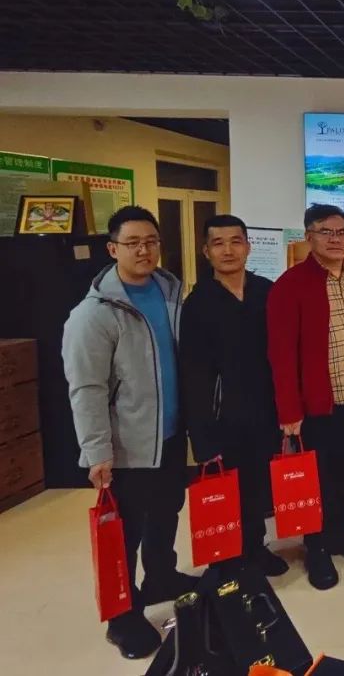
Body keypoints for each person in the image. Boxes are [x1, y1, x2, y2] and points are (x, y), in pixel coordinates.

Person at [62, 206, 197, 660]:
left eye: (151, 241)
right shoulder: (94, 314)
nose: (144, 250)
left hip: (170, 436)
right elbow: (86, 389)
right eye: (133, 242)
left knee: (166, 513)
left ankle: (161, 576)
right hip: (127, 447)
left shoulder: (169, 290)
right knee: (125, 534)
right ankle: (122, 619)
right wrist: (96, 451)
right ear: (112, 248)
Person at [267, 204, 344, 591]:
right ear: (309, 237)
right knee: (314, 479)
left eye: (341, 231)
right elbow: (281, 354)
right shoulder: (290, 285)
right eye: (325, 231)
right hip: (315, 404)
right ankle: (314, 546)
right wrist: (289, 410)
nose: (335, 239)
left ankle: (340, 533)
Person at [179, 215, 288, 577]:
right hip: (222, 416)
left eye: (235, 241)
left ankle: (256, 548)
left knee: (258, 487)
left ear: (248, 246)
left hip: (265, 411)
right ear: (206, 251)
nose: (228, 250)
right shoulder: (198, 304)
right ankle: (227, 560)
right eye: (218, 243)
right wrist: (201, 436)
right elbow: (193, 374)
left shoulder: (266, 292)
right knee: (227, 490)